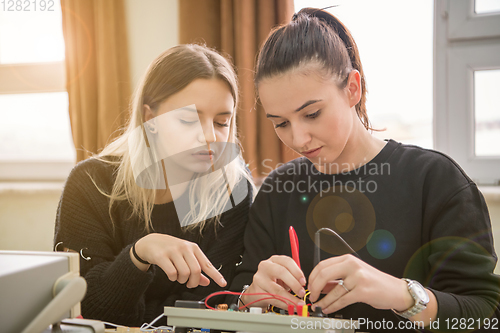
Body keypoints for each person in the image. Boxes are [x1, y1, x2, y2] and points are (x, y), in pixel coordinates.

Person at [230, 8, 500, 332]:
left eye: (312, 114)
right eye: (281, 123)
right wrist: (249, 297)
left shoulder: (435, 181)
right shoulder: (277, 191)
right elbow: (237, 300)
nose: (297, 139)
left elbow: (485, 313)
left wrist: (401, 294)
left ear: (352, 89)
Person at [54, 44, 255, 327]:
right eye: (188, 120)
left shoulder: (231, 190)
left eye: (222, 122)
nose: (210, 137)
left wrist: (140, 318)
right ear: (151, 119)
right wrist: (139, 255)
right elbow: (81, 308)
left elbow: (210, 308)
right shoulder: (90, 184)